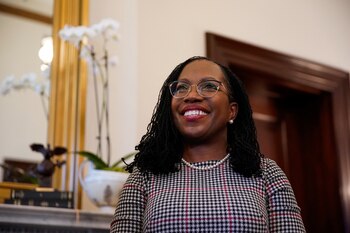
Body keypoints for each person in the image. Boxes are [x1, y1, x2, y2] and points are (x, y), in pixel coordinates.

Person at [110, 56, 305, 232]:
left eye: (210, 86)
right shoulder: (144, 175)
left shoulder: (267, 173)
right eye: (181, 88)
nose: (191, 95)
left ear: (232, 111)